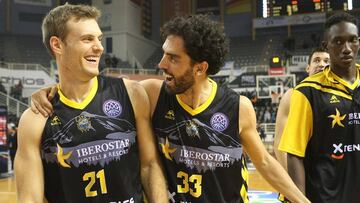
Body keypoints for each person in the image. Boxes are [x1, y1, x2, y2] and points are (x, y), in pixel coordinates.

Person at [31, 14, 310, 203]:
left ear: (200, 68)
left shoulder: (238, 106)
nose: (162, 63)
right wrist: (49, 91)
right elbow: (91, 87)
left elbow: (263, 162)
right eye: (163, 53)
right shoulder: (153, 93)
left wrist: (301, 200)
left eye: (173, 58)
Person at [15, 4, 167, 203]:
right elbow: (30, 199)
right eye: (87, 39)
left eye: (99, 39)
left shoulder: (132, 93)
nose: (99, 47)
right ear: (57, 45)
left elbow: (149, 165)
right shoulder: (35, 119)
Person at [279, 12, 360, 202]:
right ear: (326, 45)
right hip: (324, 196)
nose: (347, 48)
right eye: (338, 42)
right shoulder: (307, 92)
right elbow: (294, 154)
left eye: (352, 40)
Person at [274, 47, 330, 170]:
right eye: (316, 60)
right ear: (308, 68)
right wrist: (291, 181)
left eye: (326, 61)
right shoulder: (292, 95)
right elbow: (279, 143)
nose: (322, 64)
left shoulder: (343, 97)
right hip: (302, 172)